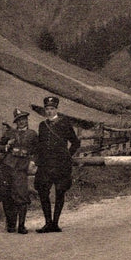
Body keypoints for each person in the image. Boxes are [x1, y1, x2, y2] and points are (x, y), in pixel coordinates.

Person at [34, 96, 81, 233]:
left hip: (61, 165)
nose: (49, 111)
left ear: (56, 109)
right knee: (43, 192)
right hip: (45, 165)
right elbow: (40, 145)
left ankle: (55, 223)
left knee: (60, 192)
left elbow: (75, 142)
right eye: (47, 109)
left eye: (52, 109)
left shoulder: (64, 123)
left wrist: (67, 156)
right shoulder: (42, 126)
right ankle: (48, 223)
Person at [0, 108, 38, 234]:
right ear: (16, 122)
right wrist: (6, 146)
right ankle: (11, 225)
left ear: (27, 120)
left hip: (21, 168)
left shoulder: (32, 134)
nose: (21, 122)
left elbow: (38, 151)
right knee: (6, 196)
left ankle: (22, 226)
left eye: (23, 119)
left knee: (21, 196)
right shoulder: (9, 134)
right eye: (19, 120)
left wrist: (34, 161)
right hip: (6, 168)